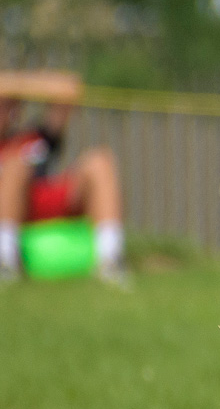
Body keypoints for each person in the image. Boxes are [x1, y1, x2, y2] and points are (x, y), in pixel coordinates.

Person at [0, 70, 127, 286]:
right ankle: (5, 262)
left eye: (9, 106)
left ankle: (111, 260)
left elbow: (69, 88)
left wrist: (17, 87)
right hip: (8, 207)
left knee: (99, 161)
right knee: (15, 165)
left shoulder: (34, 137)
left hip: (39, 197)